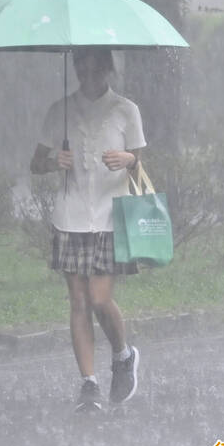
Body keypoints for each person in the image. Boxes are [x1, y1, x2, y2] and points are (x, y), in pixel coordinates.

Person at [30, 48, 144, 412]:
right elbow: (36, 163)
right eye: (82, 68)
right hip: (71, 217)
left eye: (96, 69)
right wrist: (53, 162)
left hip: (111, 218)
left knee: (98, 299)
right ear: (76, 69)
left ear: (107, 69)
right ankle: (89, 385)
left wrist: (129, 159)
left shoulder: (127, 109)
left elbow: (140, 165)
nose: (89, 75)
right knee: (78, 303)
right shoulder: (59, 110)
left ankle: (123, 355)